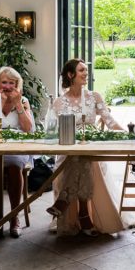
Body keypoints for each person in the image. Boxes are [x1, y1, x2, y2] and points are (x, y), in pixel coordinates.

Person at [46, 58, 126, 237]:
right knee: (79, 158)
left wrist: (128, 134)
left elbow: (110, 121)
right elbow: (52, 130)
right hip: (69, 148)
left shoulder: (94, 97)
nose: (86, 73)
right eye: (81, 70)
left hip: (91, 146)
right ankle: (83, 216)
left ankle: (64, 199)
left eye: (86, 70)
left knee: (83, 157)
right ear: (70, 74)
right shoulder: (59, 102)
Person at [0, 66, 35, 237]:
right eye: (4, 82)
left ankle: (14, 216)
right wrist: (0, 102)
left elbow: (27, 129)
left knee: (13, 165)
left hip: (16, 146)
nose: (8, 86)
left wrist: (17, 104)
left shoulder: (23, 101)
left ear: (18, 85)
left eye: (12, 83)